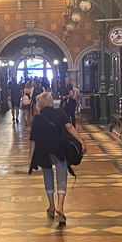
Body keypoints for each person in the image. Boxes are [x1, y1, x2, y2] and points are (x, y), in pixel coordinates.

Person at [29, 91, 84, 224]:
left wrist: (30, 159)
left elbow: (33, 140)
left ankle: (51, 206)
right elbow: (70, 127)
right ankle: (60, 206)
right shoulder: (60, 113)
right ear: (48, 101)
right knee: (61, 176)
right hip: (59, 150)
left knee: (48, 177)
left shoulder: (37, 118)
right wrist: (81, 141)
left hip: (43, 152)